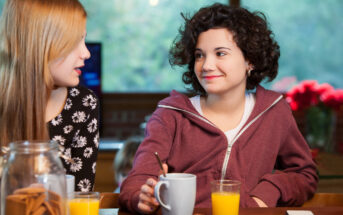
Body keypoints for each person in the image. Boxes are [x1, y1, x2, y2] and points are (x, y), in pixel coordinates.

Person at [119, 3, 318, 213]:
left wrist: (265, 193)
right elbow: (136, 181)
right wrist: (141, 197)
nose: (206, 65)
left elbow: (304, 175)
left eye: (220, 53)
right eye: (199, 55)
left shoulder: (275, 112)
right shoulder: (169, 115)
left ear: (250, 60)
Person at [0, 0, 99, 192]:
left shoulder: (83, 104)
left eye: (84, 40)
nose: (86, 53)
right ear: (39, 45)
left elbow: (79, 195)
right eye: (74, 42)